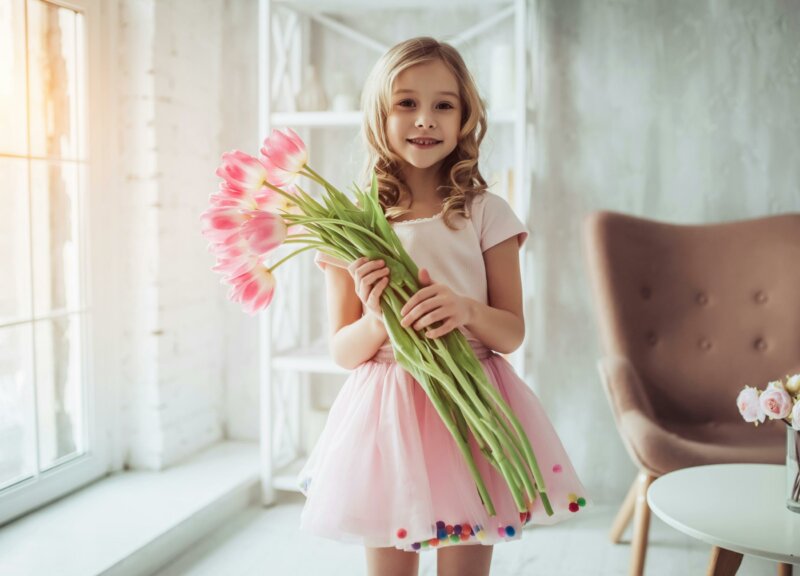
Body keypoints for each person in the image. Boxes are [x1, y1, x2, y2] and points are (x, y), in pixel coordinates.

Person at [296, 37, 589, 576]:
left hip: (472, 408)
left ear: (464, 118)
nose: (425, 119)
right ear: (379, 114)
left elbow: (511, 333)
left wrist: (466, 310)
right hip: (385, 417)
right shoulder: (352, 224)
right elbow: (342, 350)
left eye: (443, 105)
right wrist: (377, 318)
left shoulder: (486, 213)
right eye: (406, 103)